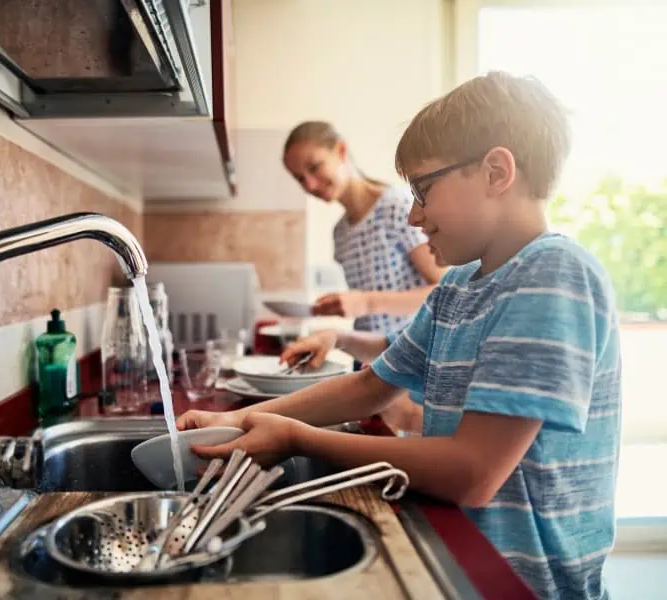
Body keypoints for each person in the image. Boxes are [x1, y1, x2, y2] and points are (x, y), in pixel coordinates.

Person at [178, 71, 621, 600]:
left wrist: (296, 438)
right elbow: (371, 386)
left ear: (496, 171)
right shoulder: (457, 286)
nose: (413, 215)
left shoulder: (553, 275)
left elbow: (473, 472)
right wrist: (236, 420)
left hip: (525, 582)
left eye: (423, 190)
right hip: (460, 552)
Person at [283, 121, 446, 433]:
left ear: (341, 151)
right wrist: (341, 308)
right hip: (369, 363)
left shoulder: (398, 207)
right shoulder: (341, 233)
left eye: (315, 167)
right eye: (299, 178)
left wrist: (366, 302)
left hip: (410, 368)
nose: (310, 184)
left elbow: (441, 289)